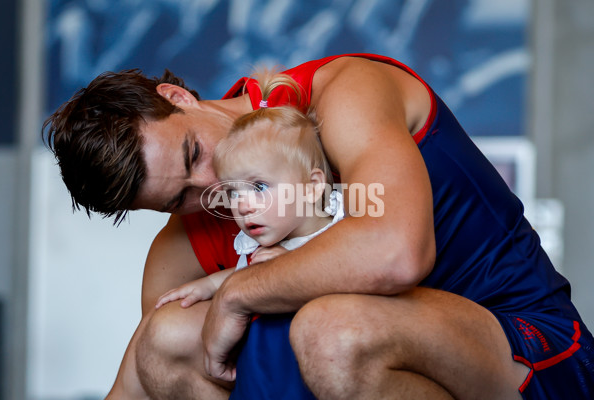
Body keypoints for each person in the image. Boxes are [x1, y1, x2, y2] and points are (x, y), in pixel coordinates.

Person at [42, 53, 594, 400]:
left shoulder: (342, 94)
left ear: (178, 98)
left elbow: (395, 252)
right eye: (178, 199)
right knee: (166, 339)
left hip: (527, 353)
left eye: (192, 153)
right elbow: (140, 381)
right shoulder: (185, 240)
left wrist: (237, 291)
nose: (209, 189)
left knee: (333, 332)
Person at [154, 71, 343, 400]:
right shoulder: (257, 245)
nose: (241, 204)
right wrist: (202, 287)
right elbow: (240, 274)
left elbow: (359, 271)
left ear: (313, 186)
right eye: (232, 192)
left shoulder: (340, 226)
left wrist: (295, 267)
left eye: (258, 187)